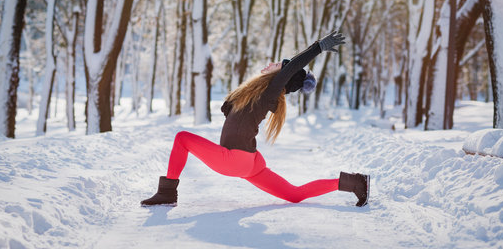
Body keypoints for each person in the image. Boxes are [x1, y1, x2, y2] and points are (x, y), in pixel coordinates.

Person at [141, 31, 370, 207]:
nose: (272, 64)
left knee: (182, 138)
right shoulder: (254, 95)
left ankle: (167, 192)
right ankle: (355, 183)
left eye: (279, 66)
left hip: (233, 160)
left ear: (281, 76)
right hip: (250, 163)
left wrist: (318, 47)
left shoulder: (271, 93)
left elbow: (290, 72)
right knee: (294, 194)